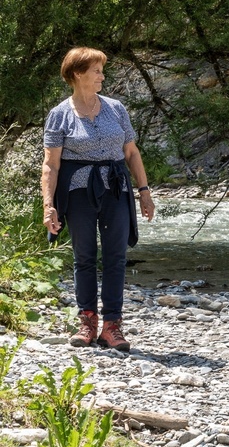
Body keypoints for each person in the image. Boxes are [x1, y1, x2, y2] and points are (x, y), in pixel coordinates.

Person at [41, 47, 156, 352]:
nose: (102, 76)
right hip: (78, 192)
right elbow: (51, 165)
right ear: (78, 74)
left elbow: (130, 152)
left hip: (116, 189)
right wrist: (47, 204)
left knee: (116, 256)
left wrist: (144, 191)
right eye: (96, 71)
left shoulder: (116, 108)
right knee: (85, 257)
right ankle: (87, 322)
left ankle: (112, 326)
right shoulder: (60, 115)